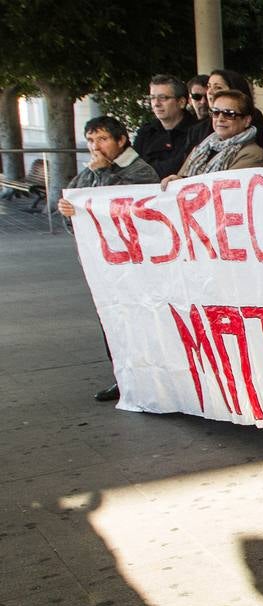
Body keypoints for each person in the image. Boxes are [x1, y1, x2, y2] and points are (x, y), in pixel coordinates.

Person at [55, 116, 162, 404]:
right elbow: (76, 212)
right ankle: (123, 376)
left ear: (121, 140)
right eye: (91, 141)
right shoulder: (91, 170)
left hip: (136, 264)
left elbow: (117, 201)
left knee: (140, 322)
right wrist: (68, 209)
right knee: (113, 319)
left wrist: (101, 174)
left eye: (102, 139)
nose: (95, 147)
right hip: (107, 266)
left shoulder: (140, 170)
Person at [163, 90, 263, 186]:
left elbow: (227, 191)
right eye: (215, 112)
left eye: (229, 114)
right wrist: (175, 182)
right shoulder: (201, 148)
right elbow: (182, 179)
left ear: (246, 120)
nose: (220, 119)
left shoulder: (253, 155)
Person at [132, 74, 212, 180]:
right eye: (152, 98)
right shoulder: (145, 132)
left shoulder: (200, 132)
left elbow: (189, 167)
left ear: (181, 102)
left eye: (163, 98)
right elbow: (133, 171)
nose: (156, 103)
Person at [206, 69, 263, 156]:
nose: (210, 92)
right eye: (208, 87)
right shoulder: (201, 130)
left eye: (228, 114)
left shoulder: (251, 153)